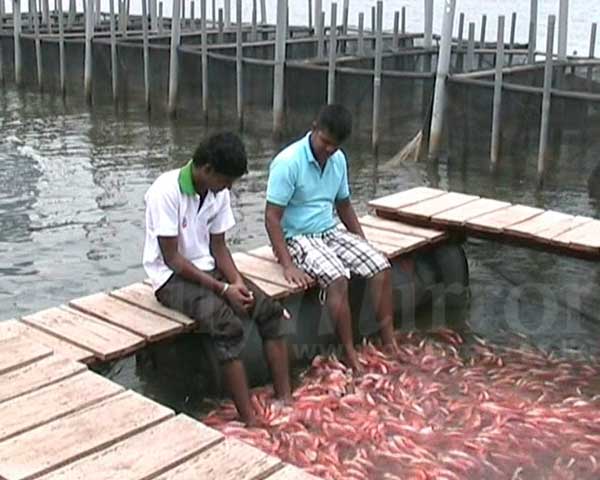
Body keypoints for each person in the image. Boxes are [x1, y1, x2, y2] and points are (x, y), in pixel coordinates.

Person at [143, 132, 291, 426]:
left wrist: (236, 281)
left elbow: (219, 247)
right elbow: (173, 259)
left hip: (209, 268)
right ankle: (249, 418)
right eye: (226, 180)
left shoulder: (217, 192)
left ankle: (285, 398)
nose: (229, 187)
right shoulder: (166, 191)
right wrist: (223, 289)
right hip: (170, 279)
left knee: (270, 312)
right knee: (227, 325)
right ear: (207, 169)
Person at [265, 104, 396, 372]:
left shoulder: (338, 160)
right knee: (337, 278)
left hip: (329, 230)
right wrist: (287, 263)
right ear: (314, 128)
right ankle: (348, 352)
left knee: (380, 265)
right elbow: (271, 217)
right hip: (297, 236)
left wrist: (362, 240)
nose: (328, 149)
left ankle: (389, 340)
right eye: (325, 141)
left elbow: (344, 205)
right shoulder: (288, 162)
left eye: (334, 145)